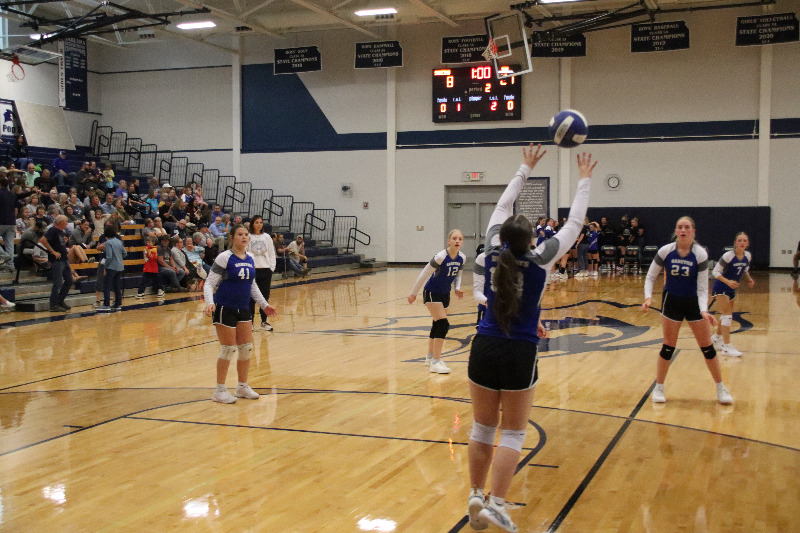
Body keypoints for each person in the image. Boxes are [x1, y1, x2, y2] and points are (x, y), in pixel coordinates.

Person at [466, 146, 593, 532]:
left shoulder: (491, 251)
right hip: (519, 351)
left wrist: (526, 167)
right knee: (513, 432)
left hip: (483, 346)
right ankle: (497, 504)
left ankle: (475, 494)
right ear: (532, 239)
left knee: (482, 428)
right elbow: (575, 223)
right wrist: (584, 179)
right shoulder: (541, 259)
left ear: (502, 236)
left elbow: (502, 205)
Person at [642, 216, 734, 405]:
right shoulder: (666, 251)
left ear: (693, 231)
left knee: (707, 347)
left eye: (687, 227)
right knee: (668, 347)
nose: (683, 230)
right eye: (680, 227)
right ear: (676, 231)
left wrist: (703, 310)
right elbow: (650, 276)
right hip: (671, 301)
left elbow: (702, 287)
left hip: (693, 302)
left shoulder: (700, 254)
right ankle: (659, 387)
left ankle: (720, 387)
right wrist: (648, 297)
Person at [203, 224, 277, 404]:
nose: (244, 237)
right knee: (228, 349)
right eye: (240, 234)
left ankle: (242, 386)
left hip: (243, 307)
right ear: (232, 237)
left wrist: (264, 305)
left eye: (246, 234)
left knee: (246, 348)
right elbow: (209, 283)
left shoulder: (250, 257)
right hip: (225, 306)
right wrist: (209, 302)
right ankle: (219, 390)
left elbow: (252, 285)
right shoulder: (224, 257)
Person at [407, 228, 466, 374]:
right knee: (442, 323)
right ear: (449, 241)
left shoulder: (462, 258)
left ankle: (430, 357)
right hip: (432, 292)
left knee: (436, 323)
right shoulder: (441, 257)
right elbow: (424, 273)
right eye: (454, 238)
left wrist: (457, 288)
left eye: (460, 239)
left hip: (445, 294)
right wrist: (413, 293)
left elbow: (458, 275)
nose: (457, 241)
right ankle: (436, 361)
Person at [710, 233, 754, 357]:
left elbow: (744, 270)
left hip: (731, 289)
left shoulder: (747, 256)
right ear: (735, 243)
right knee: (727, 315)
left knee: (726, 315)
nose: (742, 243)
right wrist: (728, 281)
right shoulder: (728, 256)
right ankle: (726, 347)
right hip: (721, 287)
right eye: (739, 240)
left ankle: (716, 337)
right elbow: (715, 272)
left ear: (747, 243)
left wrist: (749, 279)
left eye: (744, 240)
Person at [247, 215, 277, 331]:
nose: (259, 224)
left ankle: (264, 321)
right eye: (256, 222)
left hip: (265, 270)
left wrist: (271, 268)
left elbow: (271, 253)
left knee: (264, 297)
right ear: (252, 224)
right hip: (253, 270)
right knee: (251, 298)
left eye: (260, 222)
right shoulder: (248, 236)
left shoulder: (267, 237)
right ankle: (250, 322)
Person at [39, 215, 73, 312]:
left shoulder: (61, 232)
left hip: (64, 259)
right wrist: (53, 251)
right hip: (57, 261)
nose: (67, 223)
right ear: (61, 222)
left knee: (69, 280)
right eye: (66, 221)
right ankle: (53, 305)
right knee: (58, 283)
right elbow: (43, 240)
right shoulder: (53, 230)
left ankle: (60, 301)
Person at [1, 176, 34, 270]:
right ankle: (10, 266)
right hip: (11, 222)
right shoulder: (12, 194)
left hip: (1, 221)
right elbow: (22, 195)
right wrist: (32, 191)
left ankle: (4, 255)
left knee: (9, 245)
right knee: (10, 244)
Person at [96, 226, 127, 312]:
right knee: (116, 285)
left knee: (106, 285)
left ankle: (106, 304)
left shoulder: (108, 242)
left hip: (111, 267)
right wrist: (118, 258)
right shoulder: (119, 241)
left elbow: (109, 257)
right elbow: (125, 253)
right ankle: (118, 304)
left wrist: (105, 266)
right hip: (120, 266)